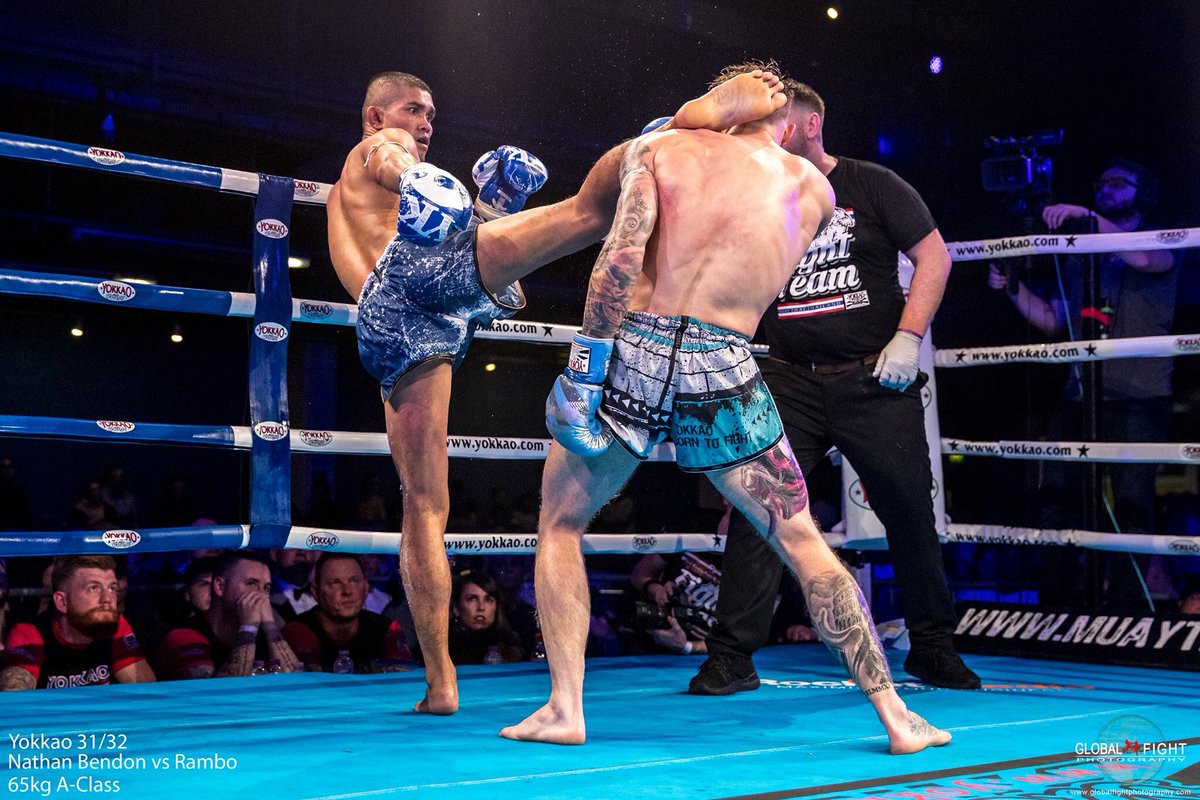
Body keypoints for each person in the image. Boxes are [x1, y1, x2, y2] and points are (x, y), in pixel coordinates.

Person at [501, 64, 950, 755]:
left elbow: (617, 261)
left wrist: (584, 372)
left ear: (723, 101)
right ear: (784, 116)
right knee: (802, 539)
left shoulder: (662, 151)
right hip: (727, 358)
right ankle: (895, 717)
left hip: (637, 347)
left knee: (560, 525)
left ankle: (566, 708)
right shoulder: (816, 190)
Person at [326, 69, 790, 715]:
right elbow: (388, 159)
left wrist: (470, 210)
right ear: (376, 116)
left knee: (426, 506)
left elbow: (433, 232)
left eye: (432, 113)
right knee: (590, 211)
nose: (425, 124)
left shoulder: (366, 206)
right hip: (414, 283)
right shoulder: (371, 151)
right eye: (412, 110)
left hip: (401, 322)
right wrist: (412, 175)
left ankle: (440, 685)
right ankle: (665, 136)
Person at [688, 77, 979, 696]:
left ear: (809, 123)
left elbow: (935, 256)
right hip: (788, 377)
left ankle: (932, 647)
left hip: (874, 376)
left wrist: (909, 335)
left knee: (908, 508)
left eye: (776, 118)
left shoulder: (871, 184)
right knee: (759, 509)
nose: (766, 131)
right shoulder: (759, 196)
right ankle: (730, 658)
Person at [988, 158, 1179, 608]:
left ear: (1143, 192)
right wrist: (1013, 288)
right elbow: (1054, 320)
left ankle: (1131, 608)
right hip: (1080, 394)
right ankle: (1059, 602)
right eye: (1102, 181)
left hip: (1139, 395)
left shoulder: (1158, 238)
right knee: (1055, 494)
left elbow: (1147, 258)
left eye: (1119, 182)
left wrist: (1089, 218)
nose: (1107, 188)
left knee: (1132, 505)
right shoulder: (1082, 254)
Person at [1, 555, 155, 690]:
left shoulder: (113, 625)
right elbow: (16, 703)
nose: (107, 599)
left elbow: (147, 696)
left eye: (111, 588)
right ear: (62, 602)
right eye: (93, 588)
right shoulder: (30, 634)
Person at [156, 551, 300, 679]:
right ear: (220, 586)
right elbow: (215, 694)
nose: (261, 595)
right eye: (251, 584)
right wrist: (248, 629)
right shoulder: (184, 635)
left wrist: (270, 627)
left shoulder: (263, 635)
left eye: (266, 588)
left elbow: (297, 685)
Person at [282, 553, 410, 672]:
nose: (347, 591)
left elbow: (404, 681)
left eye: (354, 581)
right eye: (335, 583)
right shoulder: (297, 629)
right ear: (315, 592)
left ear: (366, 588)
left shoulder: (386, 629)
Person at [448, 571, 524, 665]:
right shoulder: (442, 649)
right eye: (472, 599)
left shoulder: (511, 644)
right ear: (456, 608)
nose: (481, 607)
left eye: (488, 600)